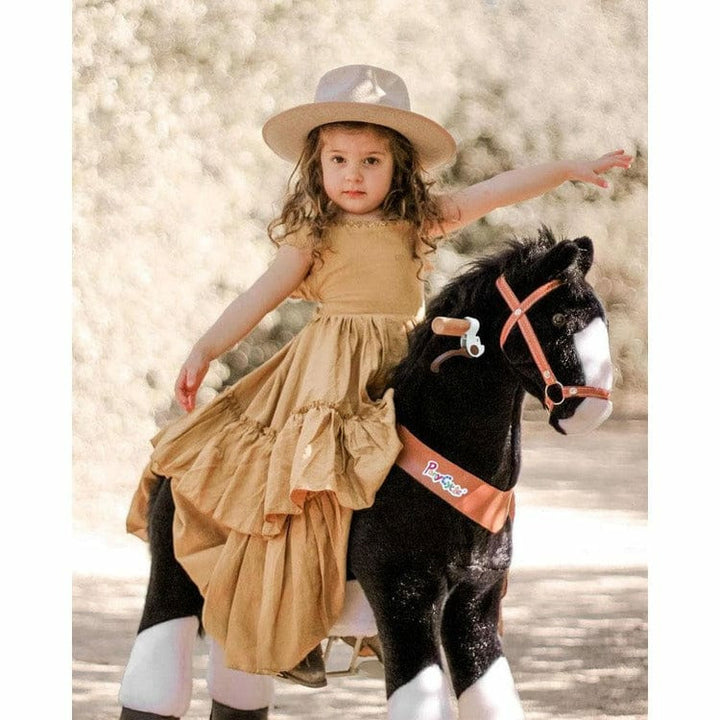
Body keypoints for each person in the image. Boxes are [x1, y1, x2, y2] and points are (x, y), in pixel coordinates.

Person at [121, 64, 633, 706]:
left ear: (399, 167)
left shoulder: (416, 222)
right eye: (338, 160)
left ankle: (396, 591)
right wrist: (205, 348)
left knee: (418, 471)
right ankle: (301, 588)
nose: (353, 175)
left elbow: (496, 190)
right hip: (327, 378)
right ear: (317, 165)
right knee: (310, 472)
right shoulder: (314, 234)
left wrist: (565, 169)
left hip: (402, 370)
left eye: (370, 161)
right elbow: (259, 295)